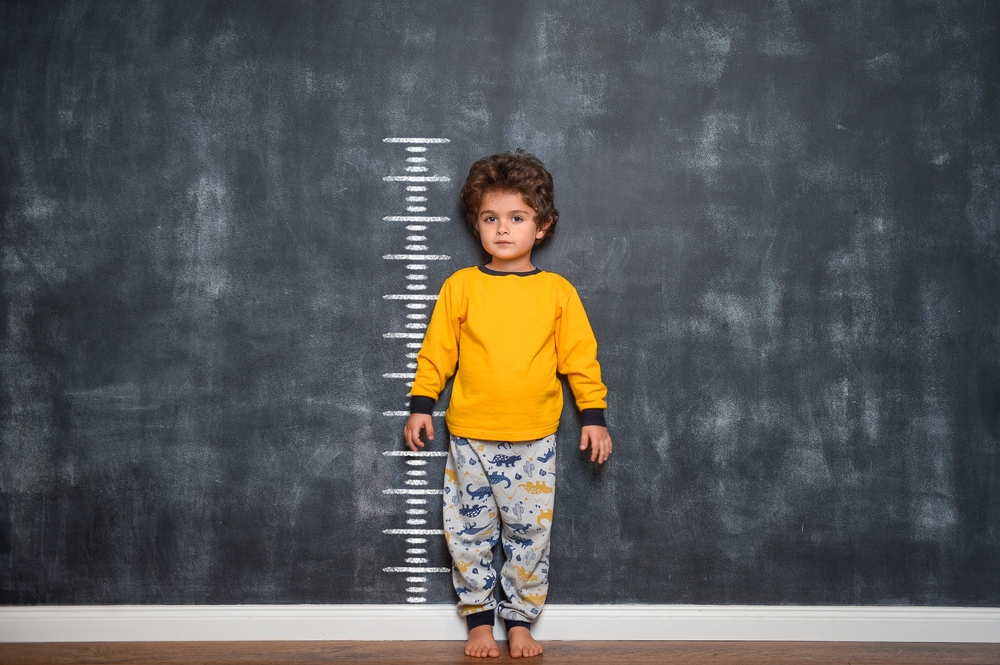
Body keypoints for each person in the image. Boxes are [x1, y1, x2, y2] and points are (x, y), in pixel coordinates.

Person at [403, 149, 612, 659]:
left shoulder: (557, 293)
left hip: (534, 439)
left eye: (516, 218)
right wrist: (420, 405)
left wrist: (594, 416)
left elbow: (580, 359)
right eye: (490, 218)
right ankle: (478, 622)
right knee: (467, 531)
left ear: (541, 227)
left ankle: (520, 621)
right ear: (477, 224)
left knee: (528, 535)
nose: (502, 229)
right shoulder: (461, 287)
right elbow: (437, 352)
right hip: (470, 435)